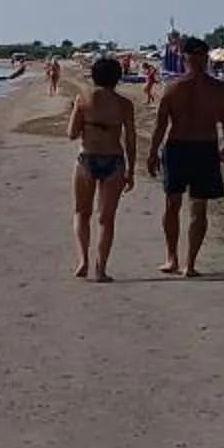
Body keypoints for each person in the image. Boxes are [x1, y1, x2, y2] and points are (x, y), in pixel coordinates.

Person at [149, 51, 224, 276]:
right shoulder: (217, 89)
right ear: (206, 59)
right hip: (202, 148)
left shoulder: (173, 87)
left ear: (183, 60)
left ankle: (174, 259)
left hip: (180, 147)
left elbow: (160, 126)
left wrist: (152, 153)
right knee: (197, 208)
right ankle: (187, 263)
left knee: (174, 204)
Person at [65, 55, 136, 282]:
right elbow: (131, 139)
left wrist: (89, 124)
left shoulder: (83, 99)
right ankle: (101, 269)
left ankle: (83, 261)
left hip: (87, 158)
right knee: (106, 219)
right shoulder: (125, 104)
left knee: (81, 213)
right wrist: (131, 170)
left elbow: (71, 134)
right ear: (118, 78)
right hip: (114, 160)